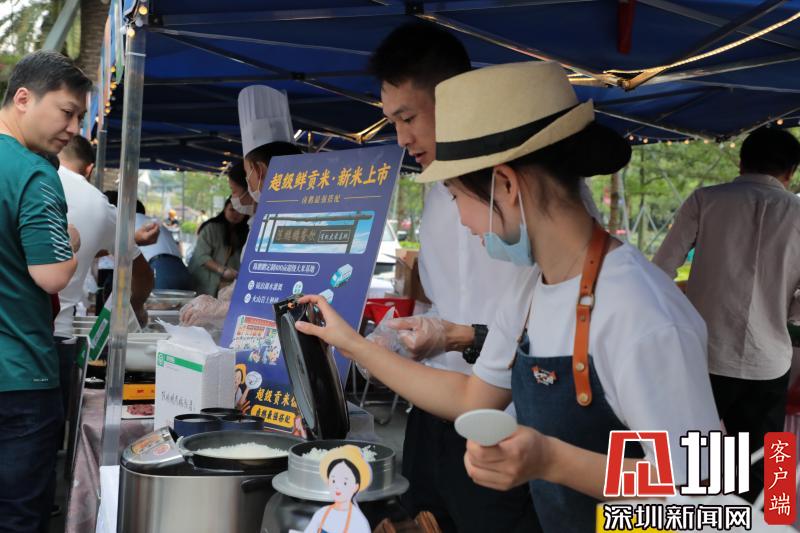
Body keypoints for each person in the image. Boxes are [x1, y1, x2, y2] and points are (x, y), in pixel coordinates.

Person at [293, 61, 721, 533]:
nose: (461, 221)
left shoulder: (641, 313)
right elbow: (471, 397)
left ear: (508, 185)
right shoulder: (530, 288)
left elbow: (705, 490)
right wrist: (353, 345)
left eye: (456, 197)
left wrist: (553, 460)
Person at [367, 23, 591, 533]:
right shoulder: (438, 197)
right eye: (392, 121)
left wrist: (461, 336)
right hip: (444, 409)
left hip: (513, 427)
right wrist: (396, 338)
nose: (401, 138)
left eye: (408, 118)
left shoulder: (564, 235)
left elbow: (696, 483)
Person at [653, 126, 800, 500]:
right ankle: (766, 518)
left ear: (741, 162)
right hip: (770, 360)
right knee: (766, 463)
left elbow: (659, 272)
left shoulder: (706, 200)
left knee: (693, 458)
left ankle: (700, 516)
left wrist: (680, 315)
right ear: (791, 172)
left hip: (704, 354)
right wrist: (786, 314)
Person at [0, 50, 90, 533]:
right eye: (67, 112)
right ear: (23, 98)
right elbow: (52, 275)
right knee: (18, 517)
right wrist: (70, 241)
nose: (73, 128)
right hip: (19, 379)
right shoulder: (33, 173)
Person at [54, 135, 157, 434]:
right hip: (55, 334)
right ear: (90, 169)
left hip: (14, 329)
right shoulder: (96, 203)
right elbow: (140, 272)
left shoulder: (23, 179)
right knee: (41, 437)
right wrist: (136, 305)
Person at [180, 86, 301, 326]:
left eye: (247, 173)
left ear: (259, 171)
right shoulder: (271, 219)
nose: (247, 182)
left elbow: (289, 295)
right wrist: (236, 292)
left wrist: (224, 308)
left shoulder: (284, 224)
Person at [188, 197, 248, 296]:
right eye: (232, 210)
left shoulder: (246, 232)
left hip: (229, 285)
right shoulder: (210, 228)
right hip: (205, 283)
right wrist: (222, 270)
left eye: (240, 211)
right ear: (225, 209)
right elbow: (201, 256)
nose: (236, 214)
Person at [304, 446, 372, 533]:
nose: (337, 486)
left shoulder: (359, 521)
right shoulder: (322, 513)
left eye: (344, 483)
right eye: (334, 480)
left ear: (355, 487)